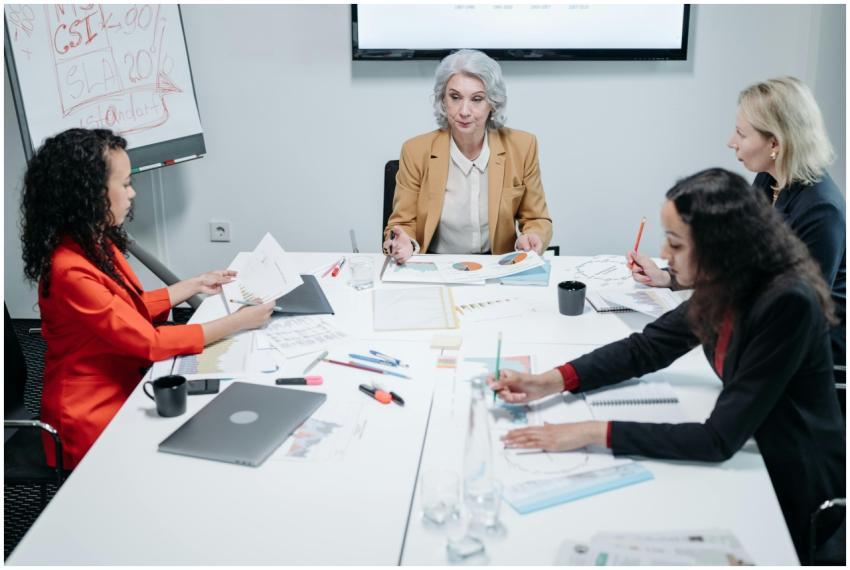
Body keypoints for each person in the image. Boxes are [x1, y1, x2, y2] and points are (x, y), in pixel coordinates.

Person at [492, 168, 845, 561]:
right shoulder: (727, 279)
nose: (663, 254)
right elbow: (648, 348)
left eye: (675, 243)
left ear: (718, 244)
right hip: (753, 447)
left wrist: (589, 431)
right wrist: (552, 381)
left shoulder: (785, 301)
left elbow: (717, 440)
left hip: (793, 485)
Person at [20, 128, 274, 469]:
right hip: (90, 413)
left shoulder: (93, 240)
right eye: (124, 184)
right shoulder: (69, 270)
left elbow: (128, 306)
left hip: (123, 381)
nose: (132, 193)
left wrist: (195, 283)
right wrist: (238, 322)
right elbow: (148, 342)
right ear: (89, 193)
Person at [629, 77, 846, 366]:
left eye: (741, 134)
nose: (731, 142)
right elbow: (737, 260)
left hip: (810, 347)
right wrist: (669, 277)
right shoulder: (769, 180)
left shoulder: (821, 209)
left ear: (775, 143)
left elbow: (801, 310)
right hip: (769, 322)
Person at [383, 49, 553, 263]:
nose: (464, 111)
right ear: (443, 100)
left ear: (493, 104)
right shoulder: (415, 151)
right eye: (455, 97)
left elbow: (536, 218)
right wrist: (404, 241)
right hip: (437, 263)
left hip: (497, 263)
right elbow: (402, 223)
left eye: (477, 99)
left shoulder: (522, 146)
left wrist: (532, 236)